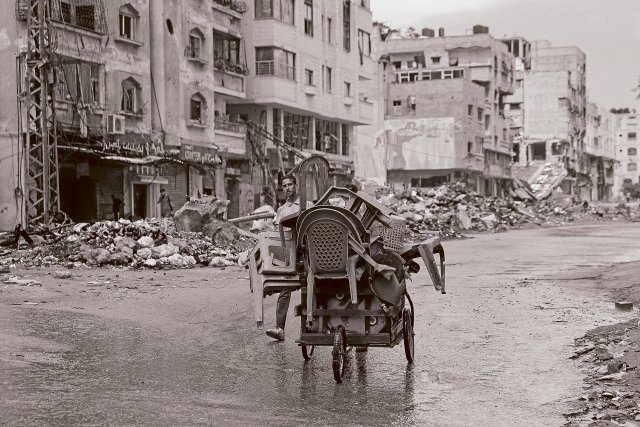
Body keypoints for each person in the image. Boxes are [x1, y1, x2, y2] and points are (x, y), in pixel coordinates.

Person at [265, 175, 313, 341]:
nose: (287, 188)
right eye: (284, 185)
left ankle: (315, 326)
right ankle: (280, 329)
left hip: (309, 254)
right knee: (285, 288)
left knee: (315, 288)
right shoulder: (281, 210)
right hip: (290, 256)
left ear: (296, 186)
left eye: (290, 184)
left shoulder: (307, 205)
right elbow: (278, 238)